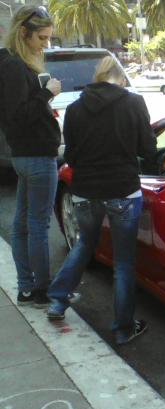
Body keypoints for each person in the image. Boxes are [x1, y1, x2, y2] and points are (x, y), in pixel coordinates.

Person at [47, 56, 157, 345]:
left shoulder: (74, 108)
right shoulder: (133, 103)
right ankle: (123, 328)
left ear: (97, 77)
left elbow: (70, 155)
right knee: (123, 263)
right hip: (123, 191)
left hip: (85, 192)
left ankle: (58, 301)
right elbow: (148, 148)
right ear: (120, 79)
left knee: (84, 244)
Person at [0, 6, 61, 307]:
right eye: (42, 37)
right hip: (36, 155)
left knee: (24, 223)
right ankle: (41, 290)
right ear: (24, 33)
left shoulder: (13, 64)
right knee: (37, 225)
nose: (45, 45)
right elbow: (18, 115)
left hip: (28, 155)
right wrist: (47, 94)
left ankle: (28, 288)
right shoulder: (13, 66)